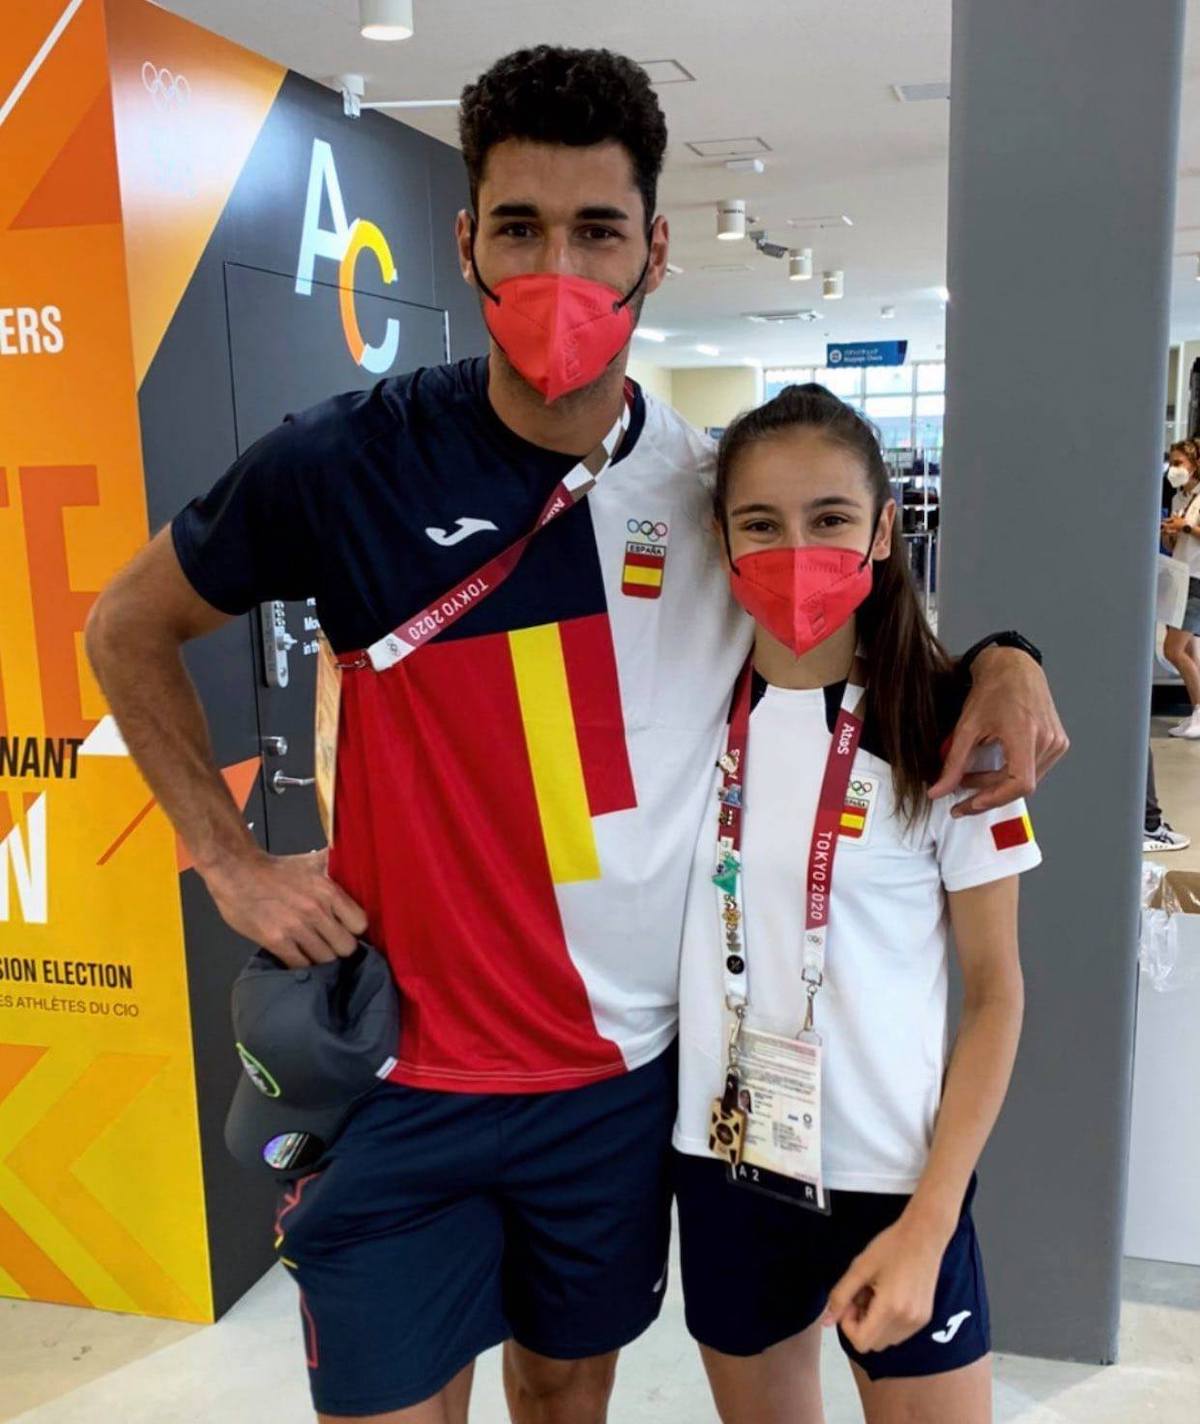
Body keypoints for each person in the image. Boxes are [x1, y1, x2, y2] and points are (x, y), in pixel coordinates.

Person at [84, 47, 1067, 1424]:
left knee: (563, 1397)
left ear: (655, 248)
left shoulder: (707, 490)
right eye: (521, 228)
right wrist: (226, 858)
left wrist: (1010, 658)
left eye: (598, 230)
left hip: (615, 1092)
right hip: (403, 1080)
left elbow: (843, 608)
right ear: (466, 241)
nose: (559, 268)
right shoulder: (345, 464)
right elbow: (124, 625)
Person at [673, 385, 1042, 1424]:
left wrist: (933, 1217)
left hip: (898, 1177)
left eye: (831, 518)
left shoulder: (950, 730)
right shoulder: (680, 715)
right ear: (723, 539)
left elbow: (998, 994)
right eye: (762, 523)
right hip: (728, 1159)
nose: (798, 548)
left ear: (884, 529)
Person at [1162, 439, 1200, 738]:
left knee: (1172, 649)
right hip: (1180, 576)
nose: (1174, 470)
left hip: (1197, 580)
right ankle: (1196, 711)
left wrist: (1185, 527)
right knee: (1189, 649)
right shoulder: (1178, 498)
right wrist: (1170, 533)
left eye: (1179, 464)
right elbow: (1175, 544)